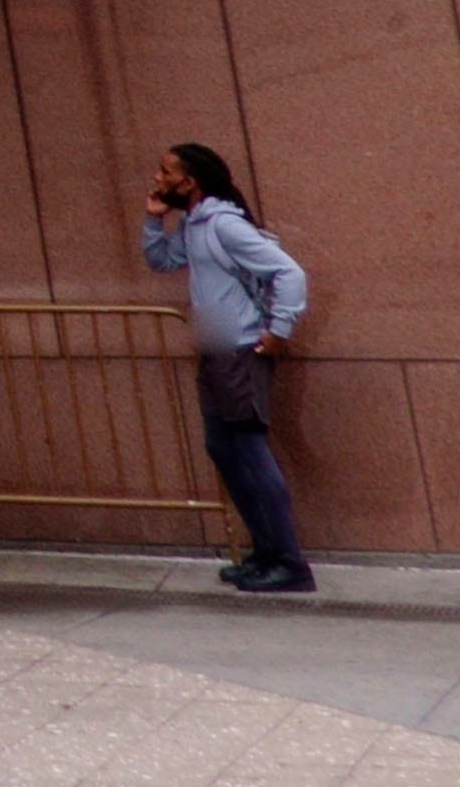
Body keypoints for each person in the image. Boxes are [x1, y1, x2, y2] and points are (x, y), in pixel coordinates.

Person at [143, 142, 314, 592]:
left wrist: (279, 330)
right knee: (224, 450)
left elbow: (290, 272)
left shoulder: (223, 225)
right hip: (217, 350)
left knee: (251, 453)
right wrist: (153, 218)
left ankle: (289, 561)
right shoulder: (194, 223)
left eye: (165, 172)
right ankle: (265, 553)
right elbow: (162, 260)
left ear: (190, 181)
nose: (157, 178)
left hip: (241, 350)